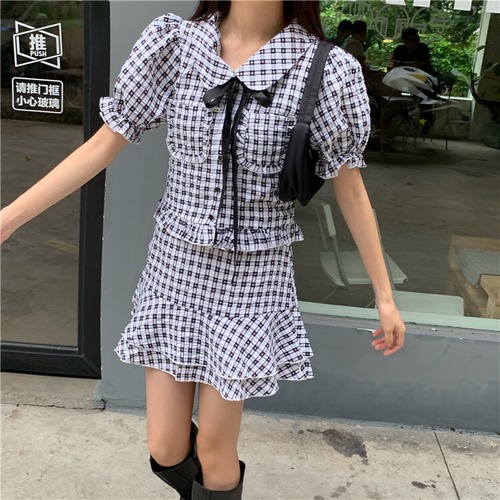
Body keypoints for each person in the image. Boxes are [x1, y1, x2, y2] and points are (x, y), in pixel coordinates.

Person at [0, 1, 406, 499]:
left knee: (214, 451)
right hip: (175, 267)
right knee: (165, 446)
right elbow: (102, 145)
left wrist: (384, 296)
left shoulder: (326, 68)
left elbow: (352, 190)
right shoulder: (175, 44)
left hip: (252, 278)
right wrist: (9, 218)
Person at [390, 28, 437, 135]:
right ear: (406, 41)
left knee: (423, 98)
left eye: (417, 39)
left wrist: (402, 64)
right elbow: (393, 63)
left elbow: (419, 64)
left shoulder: (422, 49)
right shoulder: (400, 49)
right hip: (406, 80)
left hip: (423, 80)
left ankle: (425, 122)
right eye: (413, 40)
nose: (416, 42)